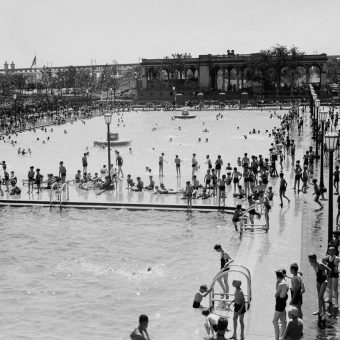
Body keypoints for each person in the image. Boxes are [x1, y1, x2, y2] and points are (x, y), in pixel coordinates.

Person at [273, 270, 289, 340]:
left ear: (278, 277)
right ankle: (283, 336)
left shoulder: (280, 284)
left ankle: (277, 338)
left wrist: (277, 285)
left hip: (279, 305)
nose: (277, 279)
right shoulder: (286, 282)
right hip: (283, 304)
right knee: (283, 321)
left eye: (277, 278)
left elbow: (276, 295)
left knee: (274, 321)